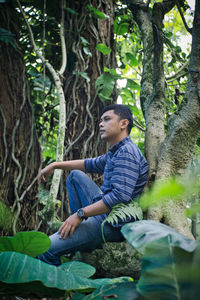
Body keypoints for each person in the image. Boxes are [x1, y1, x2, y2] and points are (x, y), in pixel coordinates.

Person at [37, 104, 148, 265]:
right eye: (100, 120)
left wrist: (80, 214)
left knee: (46, 249)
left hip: (112, 224)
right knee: (75, 176)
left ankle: (58, 289)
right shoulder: (116, 151)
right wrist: (55, 165)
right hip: (103, 214)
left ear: (124, 123)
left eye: (107, 119)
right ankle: (79, 235)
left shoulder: (127, 153)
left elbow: (119, 197)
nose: (101, 124)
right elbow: (89, 164)